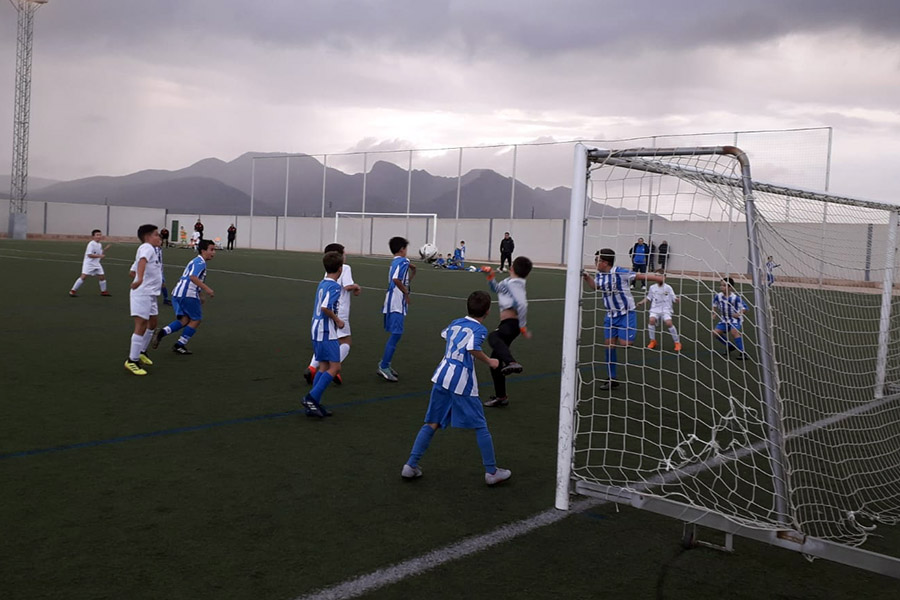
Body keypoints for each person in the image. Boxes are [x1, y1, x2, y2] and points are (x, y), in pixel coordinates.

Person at [400, 290, 512, 486]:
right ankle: (492, 472)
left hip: (442, 376)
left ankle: (410, 465)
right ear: (487, 311)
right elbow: (472, 348)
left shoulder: (455, 322)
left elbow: (445, 335)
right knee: (480, 424)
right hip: (461, 381)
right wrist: (491, 361)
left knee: (432, 422)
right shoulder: (480, 330)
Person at [582, 248, 663, 390]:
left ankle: (627, 335)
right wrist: (587, 277)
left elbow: (638, 276)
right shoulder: (600, 274)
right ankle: (612, 378)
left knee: (626, 343)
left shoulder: (620, 272)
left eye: (597, 260)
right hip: (610, 316)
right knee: (609, 345)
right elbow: (595, 287)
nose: (595, 263)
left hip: (626, 313)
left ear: (605, 262)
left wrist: (657, 278)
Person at [304, 243, 360, 386]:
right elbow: (346, 286)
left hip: (321, 318)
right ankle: (333, 369)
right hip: (336, 311)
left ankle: (312, 367)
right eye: (344, 253)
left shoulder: (327, 273)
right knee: (346, 342)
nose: (345, 255)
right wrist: (356, 287)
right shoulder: (345, 268)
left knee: (326, 343)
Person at [482, 256, 533, 407]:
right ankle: (501, 397)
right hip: (508, 324)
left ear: (511, 268)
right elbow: (496, 288)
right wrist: (491, 275)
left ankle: (512, 362)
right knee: (495, 363)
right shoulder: (509, 282)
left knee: (493, 337)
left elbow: (523, 305)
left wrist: (523, 326)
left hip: (511, 324)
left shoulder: (516, 284)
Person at [151, 240, 216, 355]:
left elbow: (194, 279)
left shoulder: (195, 261)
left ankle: (162, 332)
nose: (214, 252)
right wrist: (207, 289)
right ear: (203, 250)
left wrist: (200, 294)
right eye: (211, 249)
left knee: (184, 320)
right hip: (188, 294)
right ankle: (179, 344)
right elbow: (193, 277)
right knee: (196, 319)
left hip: (177, 293)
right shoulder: (201, 263)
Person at [301, 251, 345, 418]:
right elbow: (325, 307)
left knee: (324, 366)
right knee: (335, 367)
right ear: (340, 269)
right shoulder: (334, 286)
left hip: (316, 329)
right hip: (326, 331)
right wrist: (338, 321)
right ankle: (310, 398)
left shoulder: (322, 283)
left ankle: (314, 402)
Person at [125, 224, 164, 376]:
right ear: (148, 237)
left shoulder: (149, 250)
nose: (159, 237)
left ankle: (141, 351)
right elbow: (141, 262)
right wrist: (140, 279)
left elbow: (132, 271)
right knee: (141, 325)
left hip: (151, 293)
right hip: (142, 293)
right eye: (156, 234)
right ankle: (132, 360)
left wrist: (146, 276)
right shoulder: (147, 248)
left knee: (153, 323)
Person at [378, 236, 416, 381]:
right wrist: (406, 292)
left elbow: (400, 278)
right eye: (406, 248)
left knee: (396, 333)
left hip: (391, 300)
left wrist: (413, 270)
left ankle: (385, 364)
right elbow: (396, 279)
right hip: (396, 302)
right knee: (396, 334)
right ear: (402, 249)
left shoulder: (395, 261)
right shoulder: (404, 260)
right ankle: (384, 365)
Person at [636, 278, 682, 352]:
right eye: (656, 276)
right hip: (655, 309)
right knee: (651, 320)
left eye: (659, 276)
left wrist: (677, 300)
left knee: (669, 323)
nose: (658, 278)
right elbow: (648, 297)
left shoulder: (668, 287)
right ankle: (652, 341)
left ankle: (677, 342)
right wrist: (641, 302)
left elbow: (674, 298)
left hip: (666, 309)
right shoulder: (652, 287)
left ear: (664, 277)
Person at [69, 229, 112, 297]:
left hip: (97, 264)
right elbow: (89, 255)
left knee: (102, 277)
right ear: (93, 236)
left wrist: (105, 249)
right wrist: (100, 256)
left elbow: (100, 253)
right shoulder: (91, 244)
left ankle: (103, 291)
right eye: (97, 235)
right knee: (83, 277)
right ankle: (73, 290)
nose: (99, 236)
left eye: (100, 235)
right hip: (89, 264)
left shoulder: (99, 244)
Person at [713, 277, 747, 360]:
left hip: (734, 320)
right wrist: (714, 313)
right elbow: (714, 305)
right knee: (715, 333)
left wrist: (739, 314)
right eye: (721, 285)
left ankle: (743, 353)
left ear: (730, 287)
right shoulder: (718, 296)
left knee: (734, 331)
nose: (722, 287)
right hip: (724, 320)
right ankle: (729, 346)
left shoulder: (735, 298)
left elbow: (745, 308)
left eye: (724, 286)